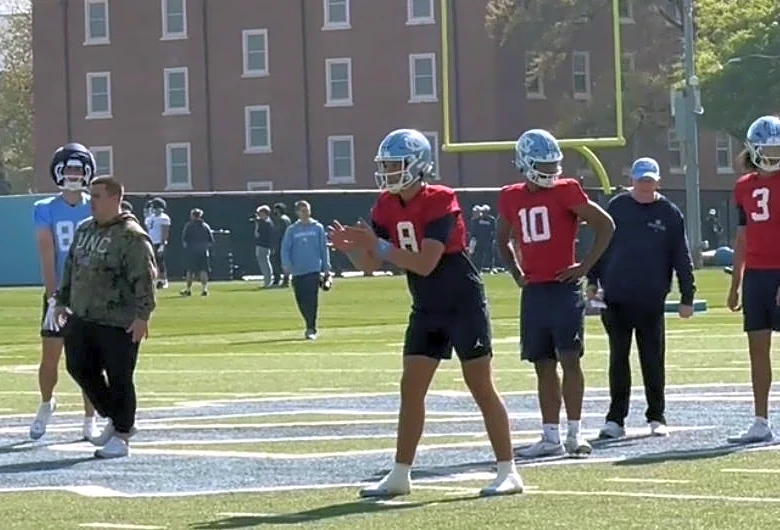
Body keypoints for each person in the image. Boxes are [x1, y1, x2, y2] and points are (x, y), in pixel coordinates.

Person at [329, 128, 523, 497]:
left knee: (480, 385)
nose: (387, 172)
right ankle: (401, 473)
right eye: (385, 165)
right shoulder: (385, 205)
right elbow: (371, 265)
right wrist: (350, 250)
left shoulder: (441, 199)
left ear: (417, 165)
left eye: (394, 164)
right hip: (427, 304)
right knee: (411, 387)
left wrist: (379, 247)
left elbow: (427, 262)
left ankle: (508, 470)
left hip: (461, 298)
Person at [496, 128, 614, 458]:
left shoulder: (567, 190)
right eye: (542, 166)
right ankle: (550, 436)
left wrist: (584, 266)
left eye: (552, 165)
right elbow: (501, 239)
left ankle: (575, 433)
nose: (549, 172)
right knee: (542, 363)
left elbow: (606, 225)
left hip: (563, 288)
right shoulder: (510, 195)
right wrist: (517, 274)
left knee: (569, 358)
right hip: (535, 290)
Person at [586, 157, 695, 439]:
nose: (645, 186)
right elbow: (601, 245)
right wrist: (593, 280)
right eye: (640, 180)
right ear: (631, 181)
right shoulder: (617, 207)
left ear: (658, 182)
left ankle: (656, 415)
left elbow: (681, 256)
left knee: (652, 359)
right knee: (618, 359)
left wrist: (687, 294)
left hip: (651, 300)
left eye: (649, 180)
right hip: (617, 297)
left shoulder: (669, 213)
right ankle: (615, 419)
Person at [54, 175, 157, 458]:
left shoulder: (131, 235)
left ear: (115, 198)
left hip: (117, 319)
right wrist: (62, 300)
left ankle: (122, 435)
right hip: (84, 314)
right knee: (78, 366)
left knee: (120, 376)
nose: (92, 202)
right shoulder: (85, 229)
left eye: (97, 196)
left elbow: (145, 277)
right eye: (91, 196)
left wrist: (142, 315)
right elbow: (71, 265)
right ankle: (116, 417)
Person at [30, 143, 100, 441]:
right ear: (59, 171)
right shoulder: (44, 208)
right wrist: (53, 294)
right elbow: (47, 252)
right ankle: (47, 403)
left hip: (91, 294)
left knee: (91, 360)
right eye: (68, 168)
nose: (73, 174)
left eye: (78, 169)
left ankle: (89, 418)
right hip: (61, 291)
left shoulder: (97, 205)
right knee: (51, 357)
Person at [726, 115, 780, 444]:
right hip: (757, 275)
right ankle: (761, 421)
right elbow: (743, 238)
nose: (773, 154)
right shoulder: (743, 186)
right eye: (768, 148)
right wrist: (736, 283)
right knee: (757, 349)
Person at [280, 200, 331, 340]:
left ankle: (311, 328)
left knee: (311, 299)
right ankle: (308, 322)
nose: (306, 213)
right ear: (297, 212)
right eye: (303, 211)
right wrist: (286, 264)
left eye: (307, 210)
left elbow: (323, 249)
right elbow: (285, 248)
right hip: (297, 270)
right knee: (300, 299)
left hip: (313, 269)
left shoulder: (317, 228)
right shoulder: (292, 230)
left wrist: (326, 268)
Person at [180, 208, 214, 296]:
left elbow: (184, 240)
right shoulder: (206, 226)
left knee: (190, 271)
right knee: (203, 270)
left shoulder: (189, 226)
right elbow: (211, 241)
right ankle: (204, 289)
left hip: (192, 251)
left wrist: (188, 249)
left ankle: (188, 289)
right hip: (203, 251)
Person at [144, 198, 171, 289]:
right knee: (151, 262)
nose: (152, 208)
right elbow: (148, 230)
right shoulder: (150, 218)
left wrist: (162, 245)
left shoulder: (164, 218)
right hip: (150, 242)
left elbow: (165, 232)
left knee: (160, 262)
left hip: (159, 242)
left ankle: (164, 280)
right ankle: (154, 279)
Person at [253, 205, 275, 289]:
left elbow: (257, 234)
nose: (259, 215)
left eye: (260, 213)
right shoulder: (268, 222)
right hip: (264, 246)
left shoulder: (265, 223)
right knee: (265, 263)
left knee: (264, 264)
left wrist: (257, 225)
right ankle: (267, 281)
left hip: (263, 246)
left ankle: (267, 281)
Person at [271, 203, 291, 287]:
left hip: (281, 244)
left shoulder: (281, 220)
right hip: (285, 243)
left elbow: (279, 233)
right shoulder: (286, 219)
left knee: (277, 262)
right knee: (284, 263)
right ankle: (285, 280)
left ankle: (278, 279)